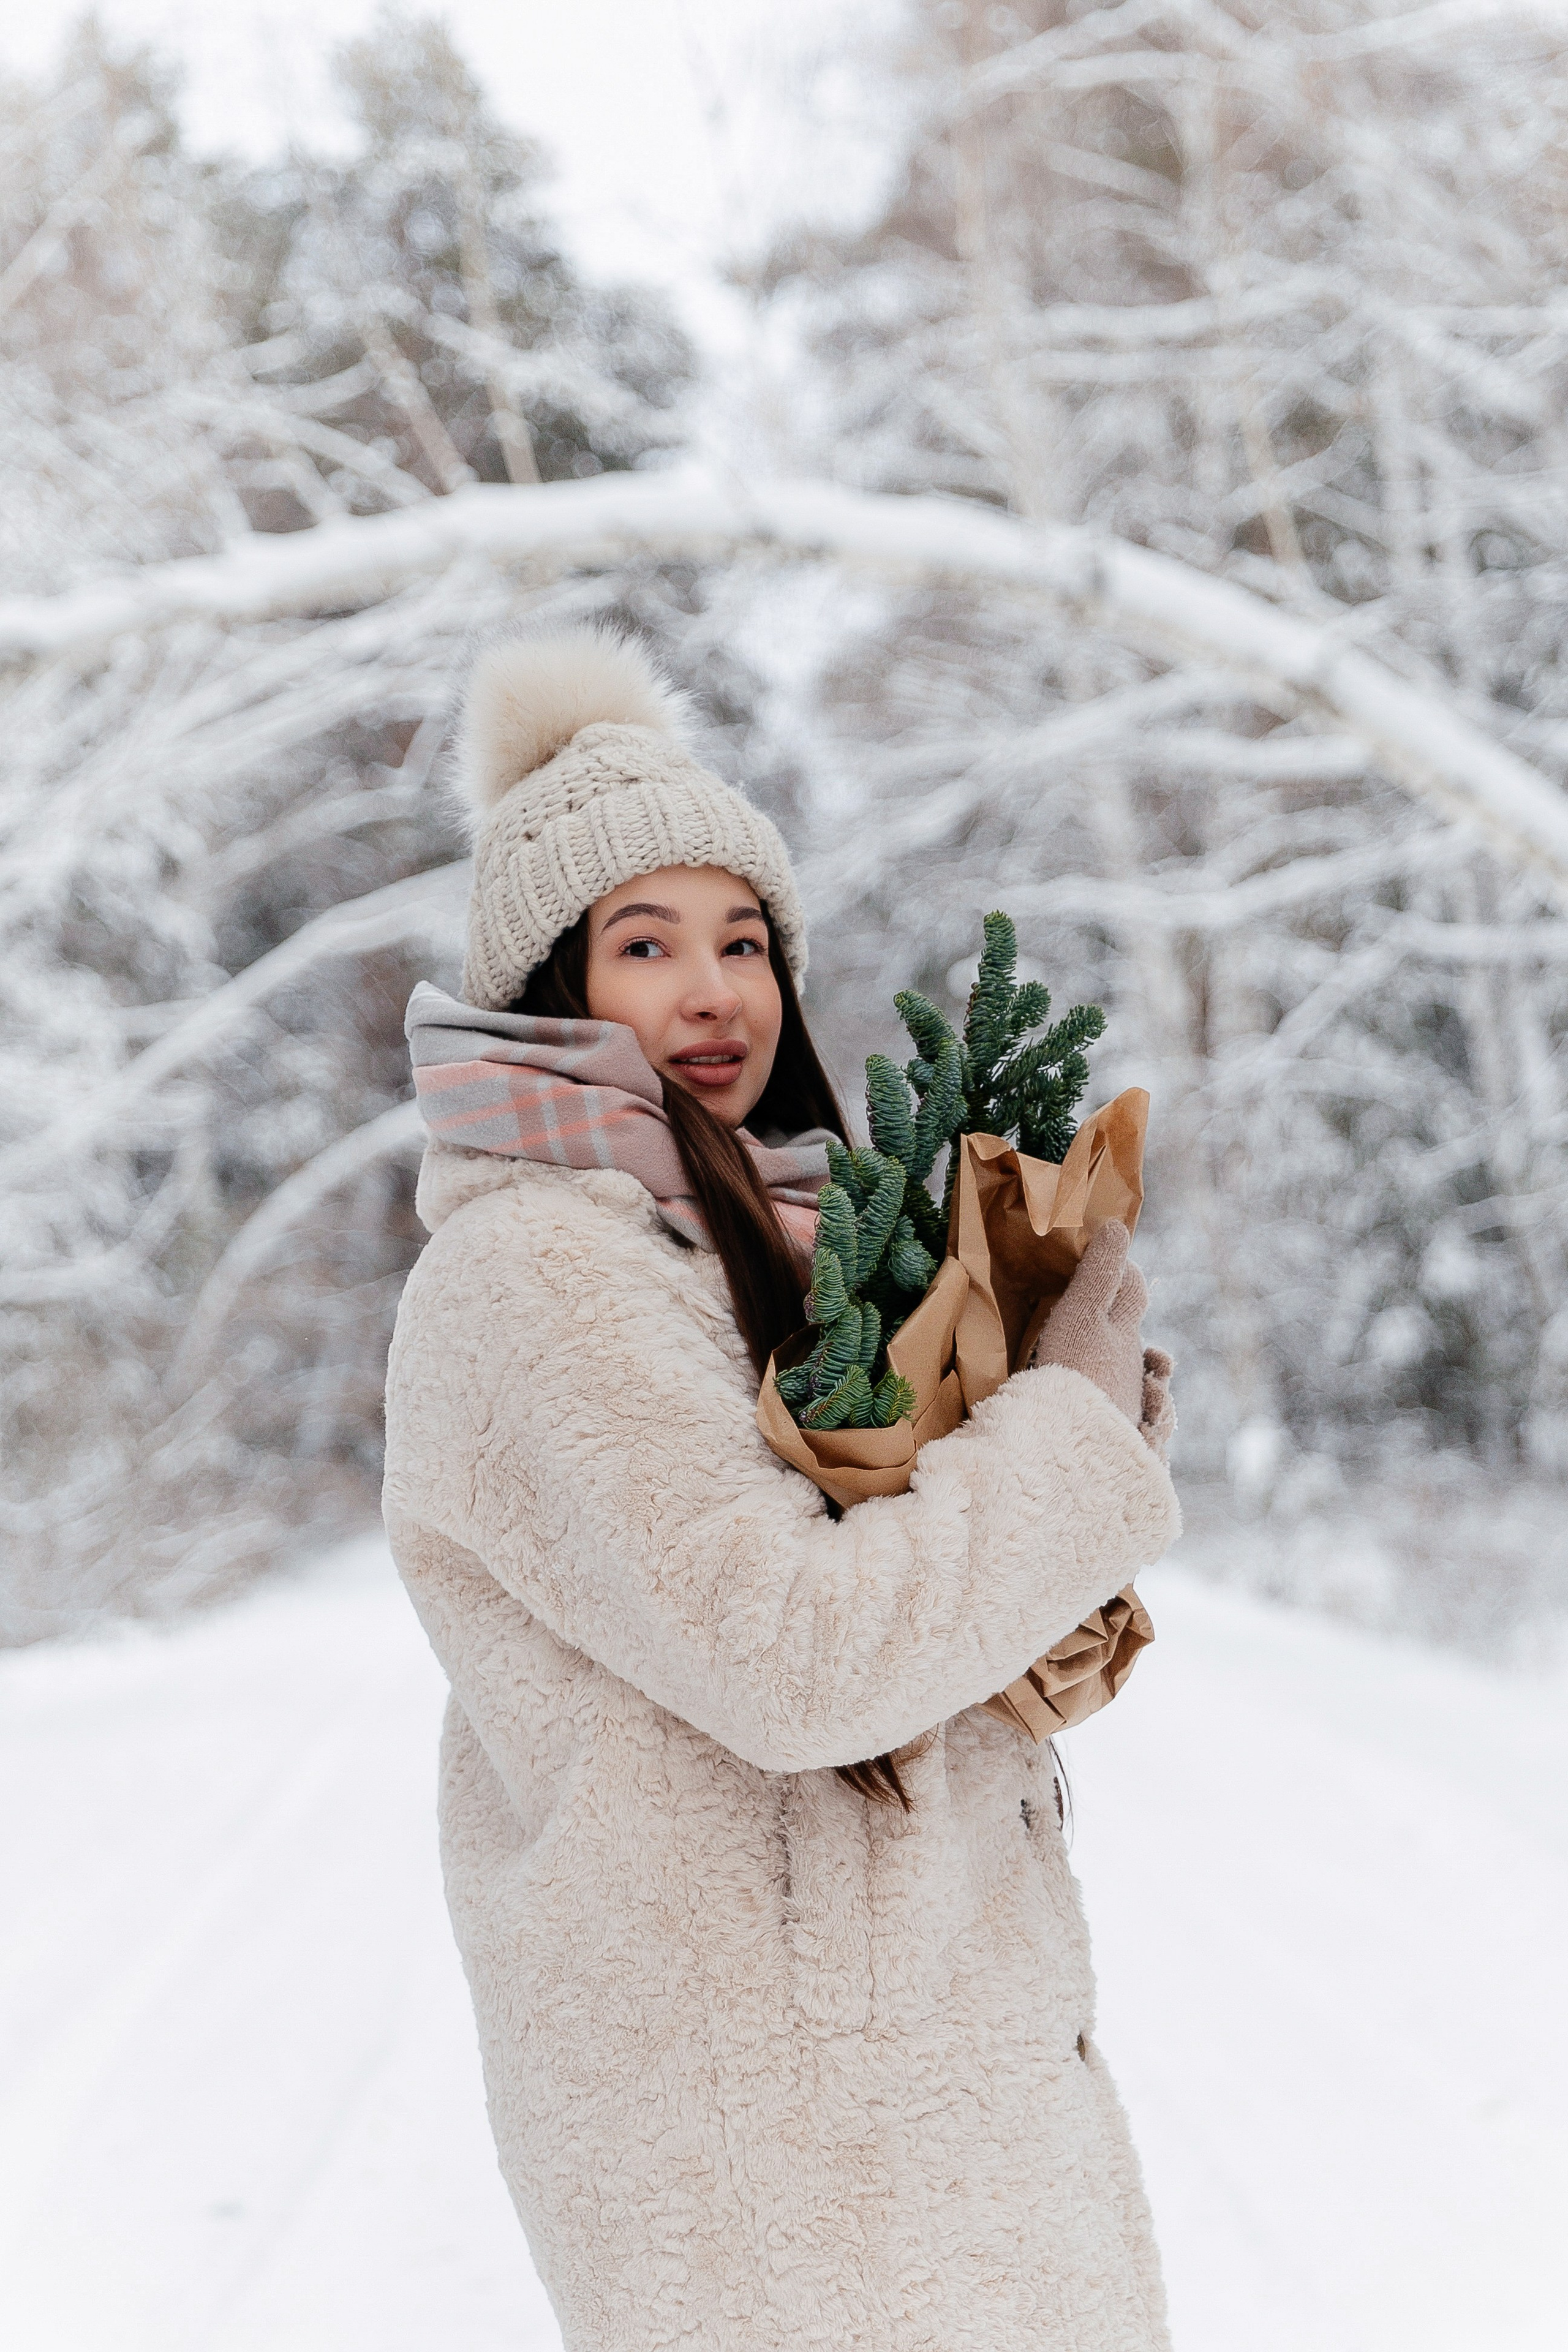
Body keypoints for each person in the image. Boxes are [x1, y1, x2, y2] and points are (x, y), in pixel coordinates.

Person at [383, 625, 1180, 2352]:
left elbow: (926, 1641)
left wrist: (1047, 1400)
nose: (715, 992)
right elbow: (803, 1658)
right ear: (545, 987)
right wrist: (1066, 1433)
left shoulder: (774, 1242)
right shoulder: (535, 1277)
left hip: (901, 2123)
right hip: (781, 2165)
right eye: (646, 943)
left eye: (743, 941)